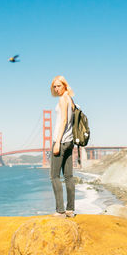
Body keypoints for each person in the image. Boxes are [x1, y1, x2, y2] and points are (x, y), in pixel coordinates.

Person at [50, 75, 75, 218]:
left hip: (61, 140)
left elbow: (64, 119)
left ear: (65, 85)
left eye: (59, 85)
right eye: (54, 86)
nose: (56, 89)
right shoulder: (71, 99)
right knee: (69, 177)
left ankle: (60, 211)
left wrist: (57, 142)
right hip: (70, 141)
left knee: (54, 176)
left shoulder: (63, 99)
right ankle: (70, 210)